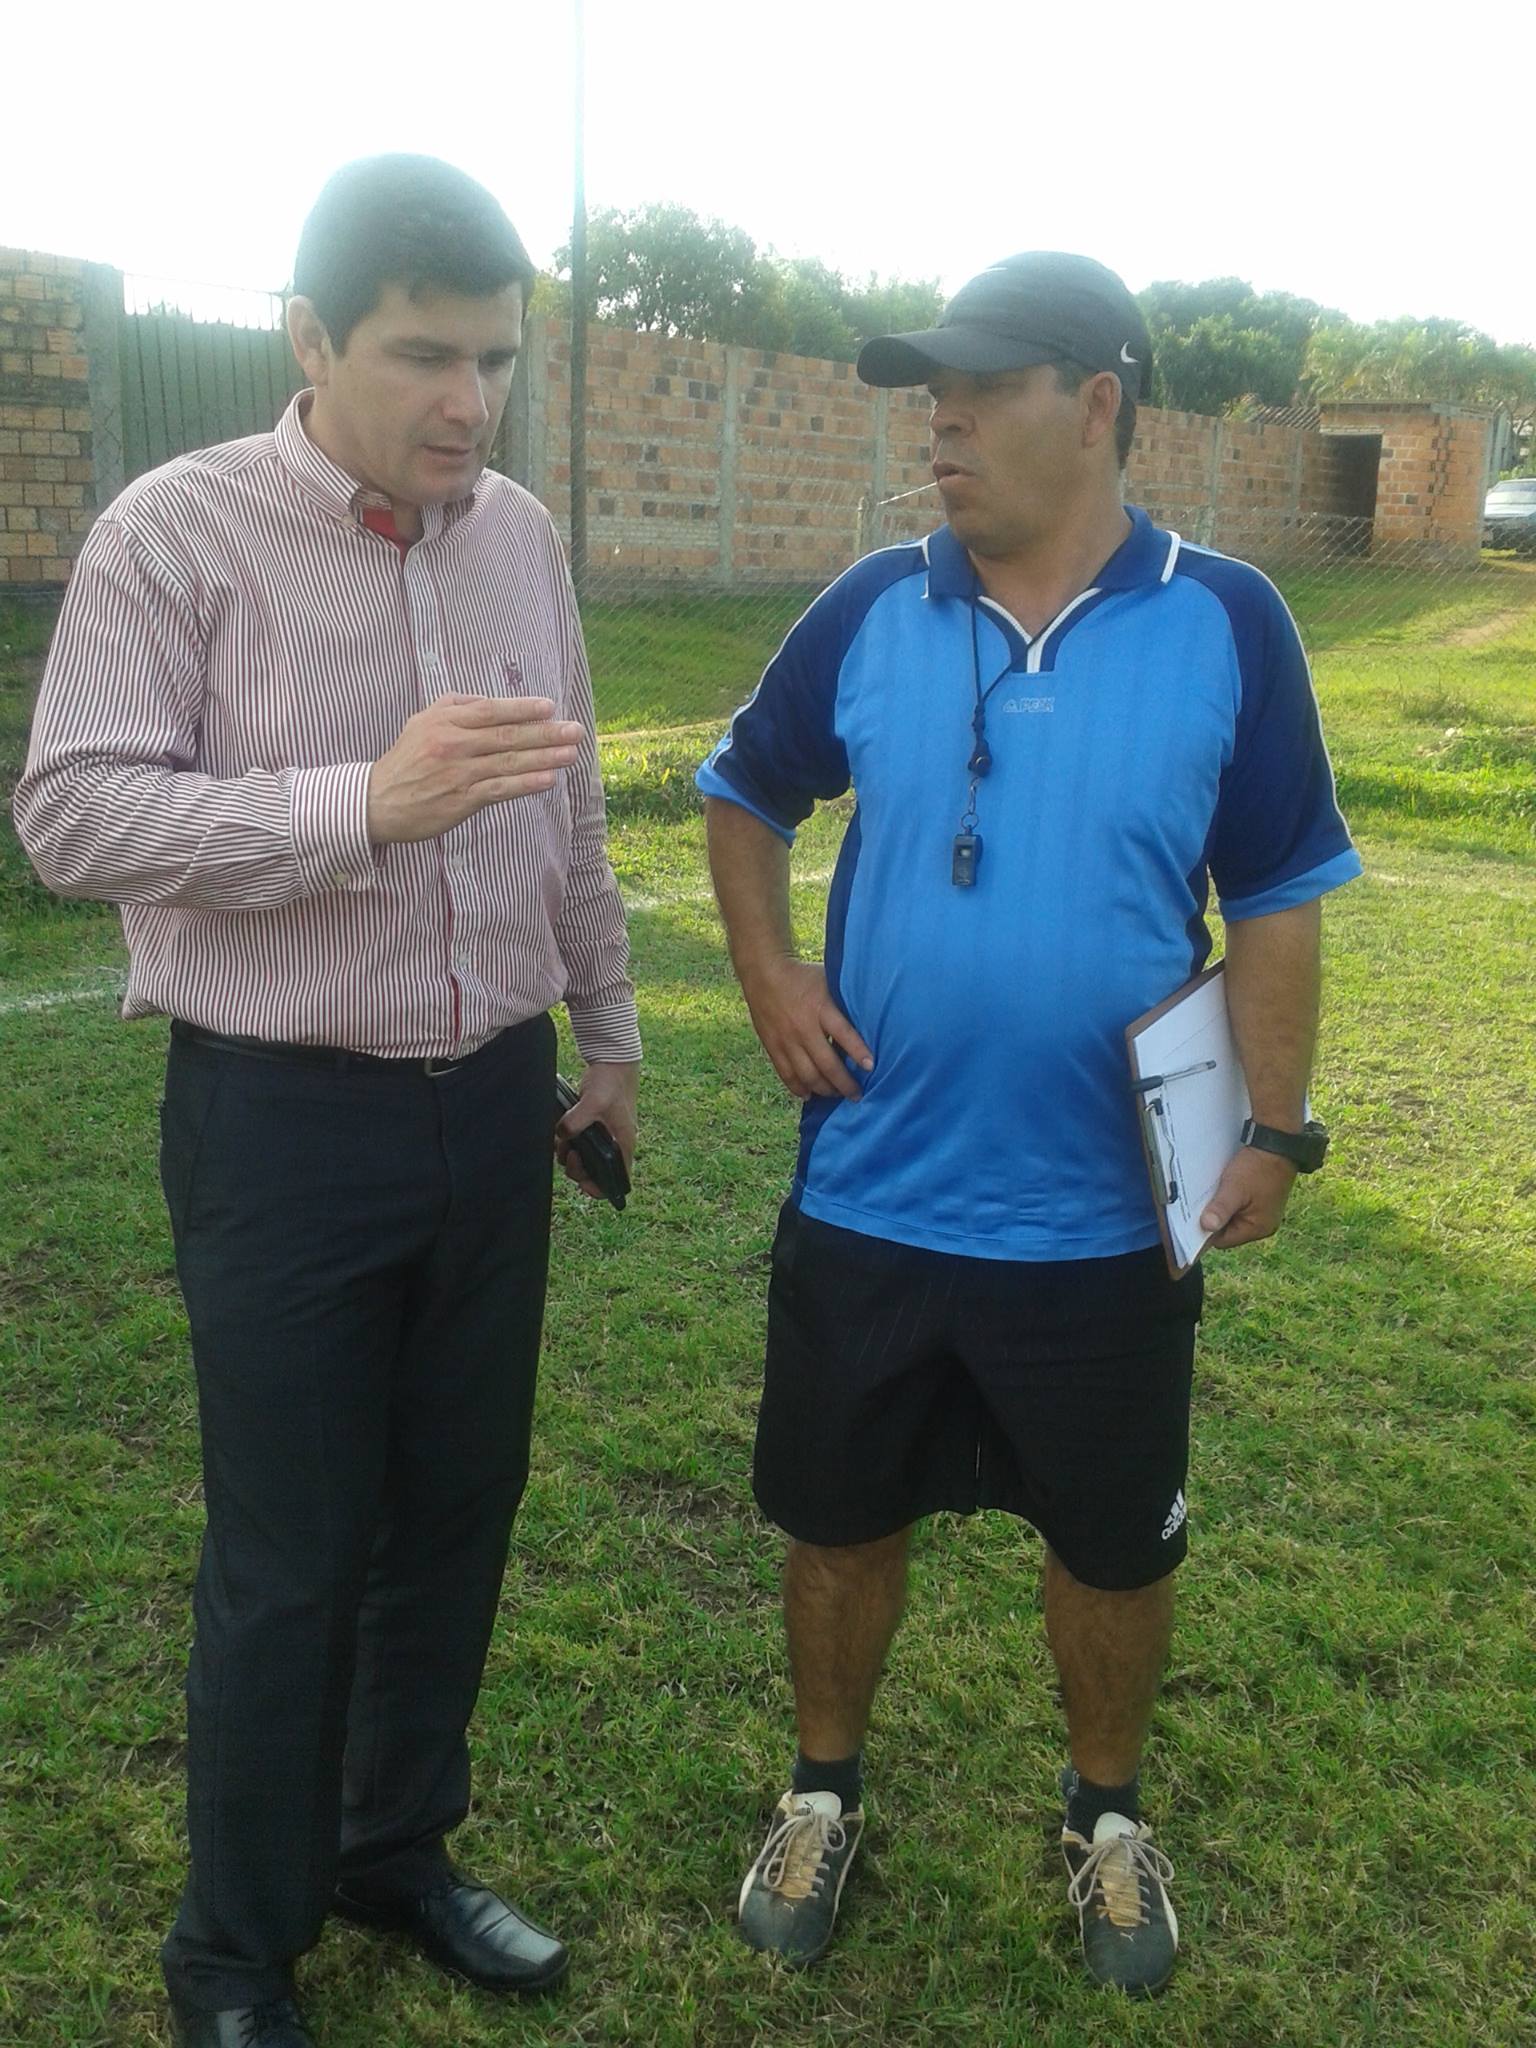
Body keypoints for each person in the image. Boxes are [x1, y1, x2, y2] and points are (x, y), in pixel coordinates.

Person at [15, 155, 640, 2048]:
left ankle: (393, 1849)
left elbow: (567, 806)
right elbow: (72, 815)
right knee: (290, 1562)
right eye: (424, 357)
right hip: (283, 1119)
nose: (471, 402)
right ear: (310, 338)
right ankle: (233, 1953)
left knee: (456, 1514)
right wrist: (360, 801)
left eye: (497, 359)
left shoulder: (519, 537)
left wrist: (607, 1036)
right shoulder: (176, 534)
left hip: (496, 1106)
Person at [698, 251, 1359, 1996]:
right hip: (874, 1190)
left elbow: (1279, 891)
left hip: (1104, 1215)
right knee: (839, 1518)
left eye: (984, 390)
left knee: (1114, 1540)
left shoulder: (1228, 623)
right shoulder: (871, 606)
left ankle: (1107, 1820)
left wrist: (1275, 1129)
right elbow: (744, 790)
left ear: (1100, 405)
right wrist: (768, 972)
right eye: (934, 394)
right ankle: (823, 1793)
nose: (944, 423)